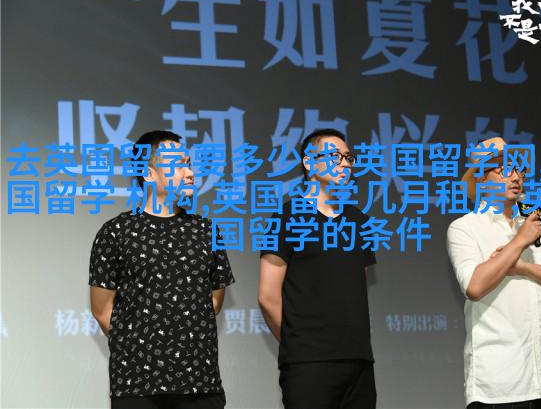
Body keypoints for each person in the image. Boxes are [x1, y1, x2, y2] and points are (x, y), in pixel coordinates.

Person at [89, 130, 235, 409]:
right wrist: (140, 346)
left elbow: (214, 302)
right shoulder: (116, 232)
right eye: (178, 165)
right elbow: (102, 310)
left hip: (200, 382)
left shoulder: (207, 231)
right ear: (148, 173)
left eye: (188, 164)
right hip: (137, 385)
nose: (190, 173)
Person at [446, 137, 541, 409]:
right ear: (481, 179)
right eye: (503, 170)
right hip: (498, 385)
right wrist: (520, 242)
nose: (516, 177)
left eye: (519, 169)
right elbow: (474, 286)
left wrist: (522, 267)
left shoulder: (535, 224)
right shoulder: (464, 228)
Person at [258, 128, 377, 409]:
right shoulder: (286, 217)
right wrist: (299, 343)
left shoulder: (359, 221)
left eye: (348, 157)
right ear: (309, 163)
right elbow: (268, 296)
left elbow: (355, 288)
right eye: (335, 156)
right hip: (309, 363)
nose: (345, 163)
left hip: (359, 362)